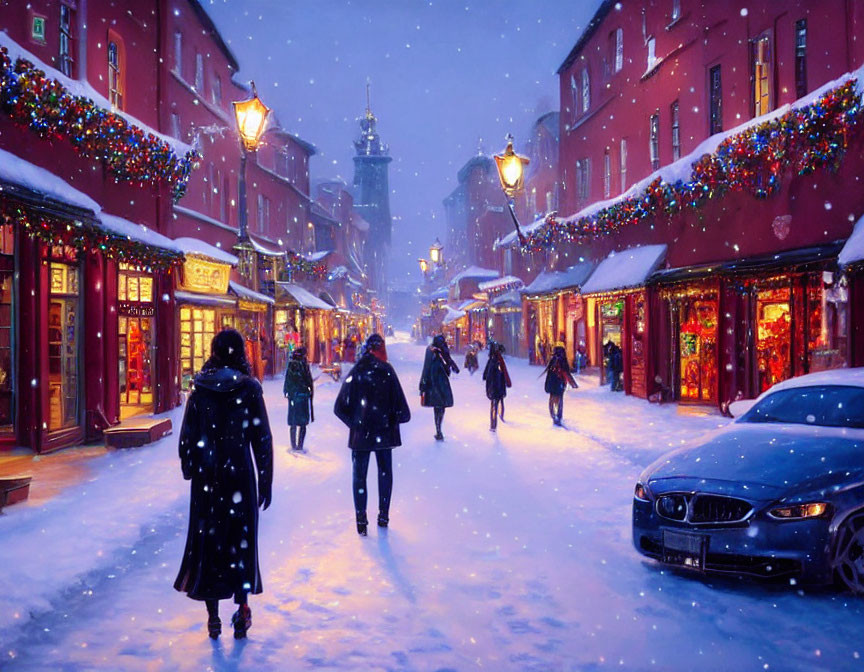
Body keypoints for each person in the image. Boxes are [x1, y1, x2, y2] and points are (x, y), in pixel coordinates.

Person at [174, 329, 273, 640]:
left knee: (210, 547)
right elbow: (263, 439)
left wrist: (191, 467)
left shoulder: (200, 390)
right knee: (240, 545)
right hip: (240, 476)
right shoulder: (249, 389)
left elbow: (187, 438)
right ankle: (241, 609)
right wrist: (265, 479)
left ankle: (213, 616)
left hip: (208, 479)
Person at [334, 333, 410, 535]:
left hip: (361, 438)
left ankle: (361, 521)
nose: (385, 354)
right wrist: (391, 418)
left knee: (359, 477)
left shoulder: (356, 372)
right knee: (385, 474)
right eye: (383, 350)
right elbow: (403, 411)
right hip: (384, 436)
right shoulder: (387, 372)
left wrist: (357, 424)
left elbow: (339, 407)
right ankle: (383, 516)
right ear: (375, 350)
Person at [420, 333, 460, 441]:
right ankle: (438, 429)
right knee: (440, 407)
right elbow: (448, 361)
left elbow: (426, 368)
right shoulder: (435, 351)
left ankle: (438, 429)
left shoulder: (433, 351)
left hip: (435, 383)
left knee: (438, 407)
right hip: (440, 383)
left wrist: (422, 385)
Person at [283, 346, 314, 452]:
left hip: (293, 396)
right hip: (303, 396)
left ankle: (293, 445)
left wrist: (286, 392)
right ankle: (300, 445)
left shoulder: (291, 364)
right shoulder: (304, 364)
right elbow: (308, 379)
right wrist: (309, 390)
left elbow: (287, 379)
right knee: (302, 423)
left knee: (293, 422)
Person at [543, 342, 577, 426]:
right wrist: (573, 383)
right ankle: (558, 415)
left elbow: (549, 372)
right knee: (560, 399)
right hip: (560, 382)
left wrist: (547, 383)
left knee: (552, 398)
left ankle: (554, 415)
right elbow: (567, 372)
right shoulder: (563, 360)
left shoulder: (553, 359)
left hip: (552, 382)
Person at [483, 340, 511, 431]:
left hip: (493, 386)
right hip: (498, 385)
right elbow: (504, 373)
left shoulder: (491, 361)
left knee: (494, 404)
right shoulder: (499, 361)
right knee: (499, 401)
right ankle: (498, 417)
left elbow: (486, 374)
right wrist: (507, 382)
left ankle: (493, 424)